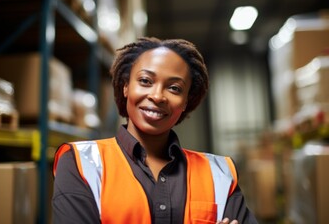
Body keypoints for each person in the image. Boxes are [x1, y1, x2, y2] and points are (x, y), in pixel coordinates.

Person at [52, 37, 258, 224]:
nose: (158, 96)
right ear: (125, 87)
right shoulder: (81, 163)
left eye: (174, 88)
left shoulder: (219, 173)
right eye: (145, 81)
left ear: (186, 101)